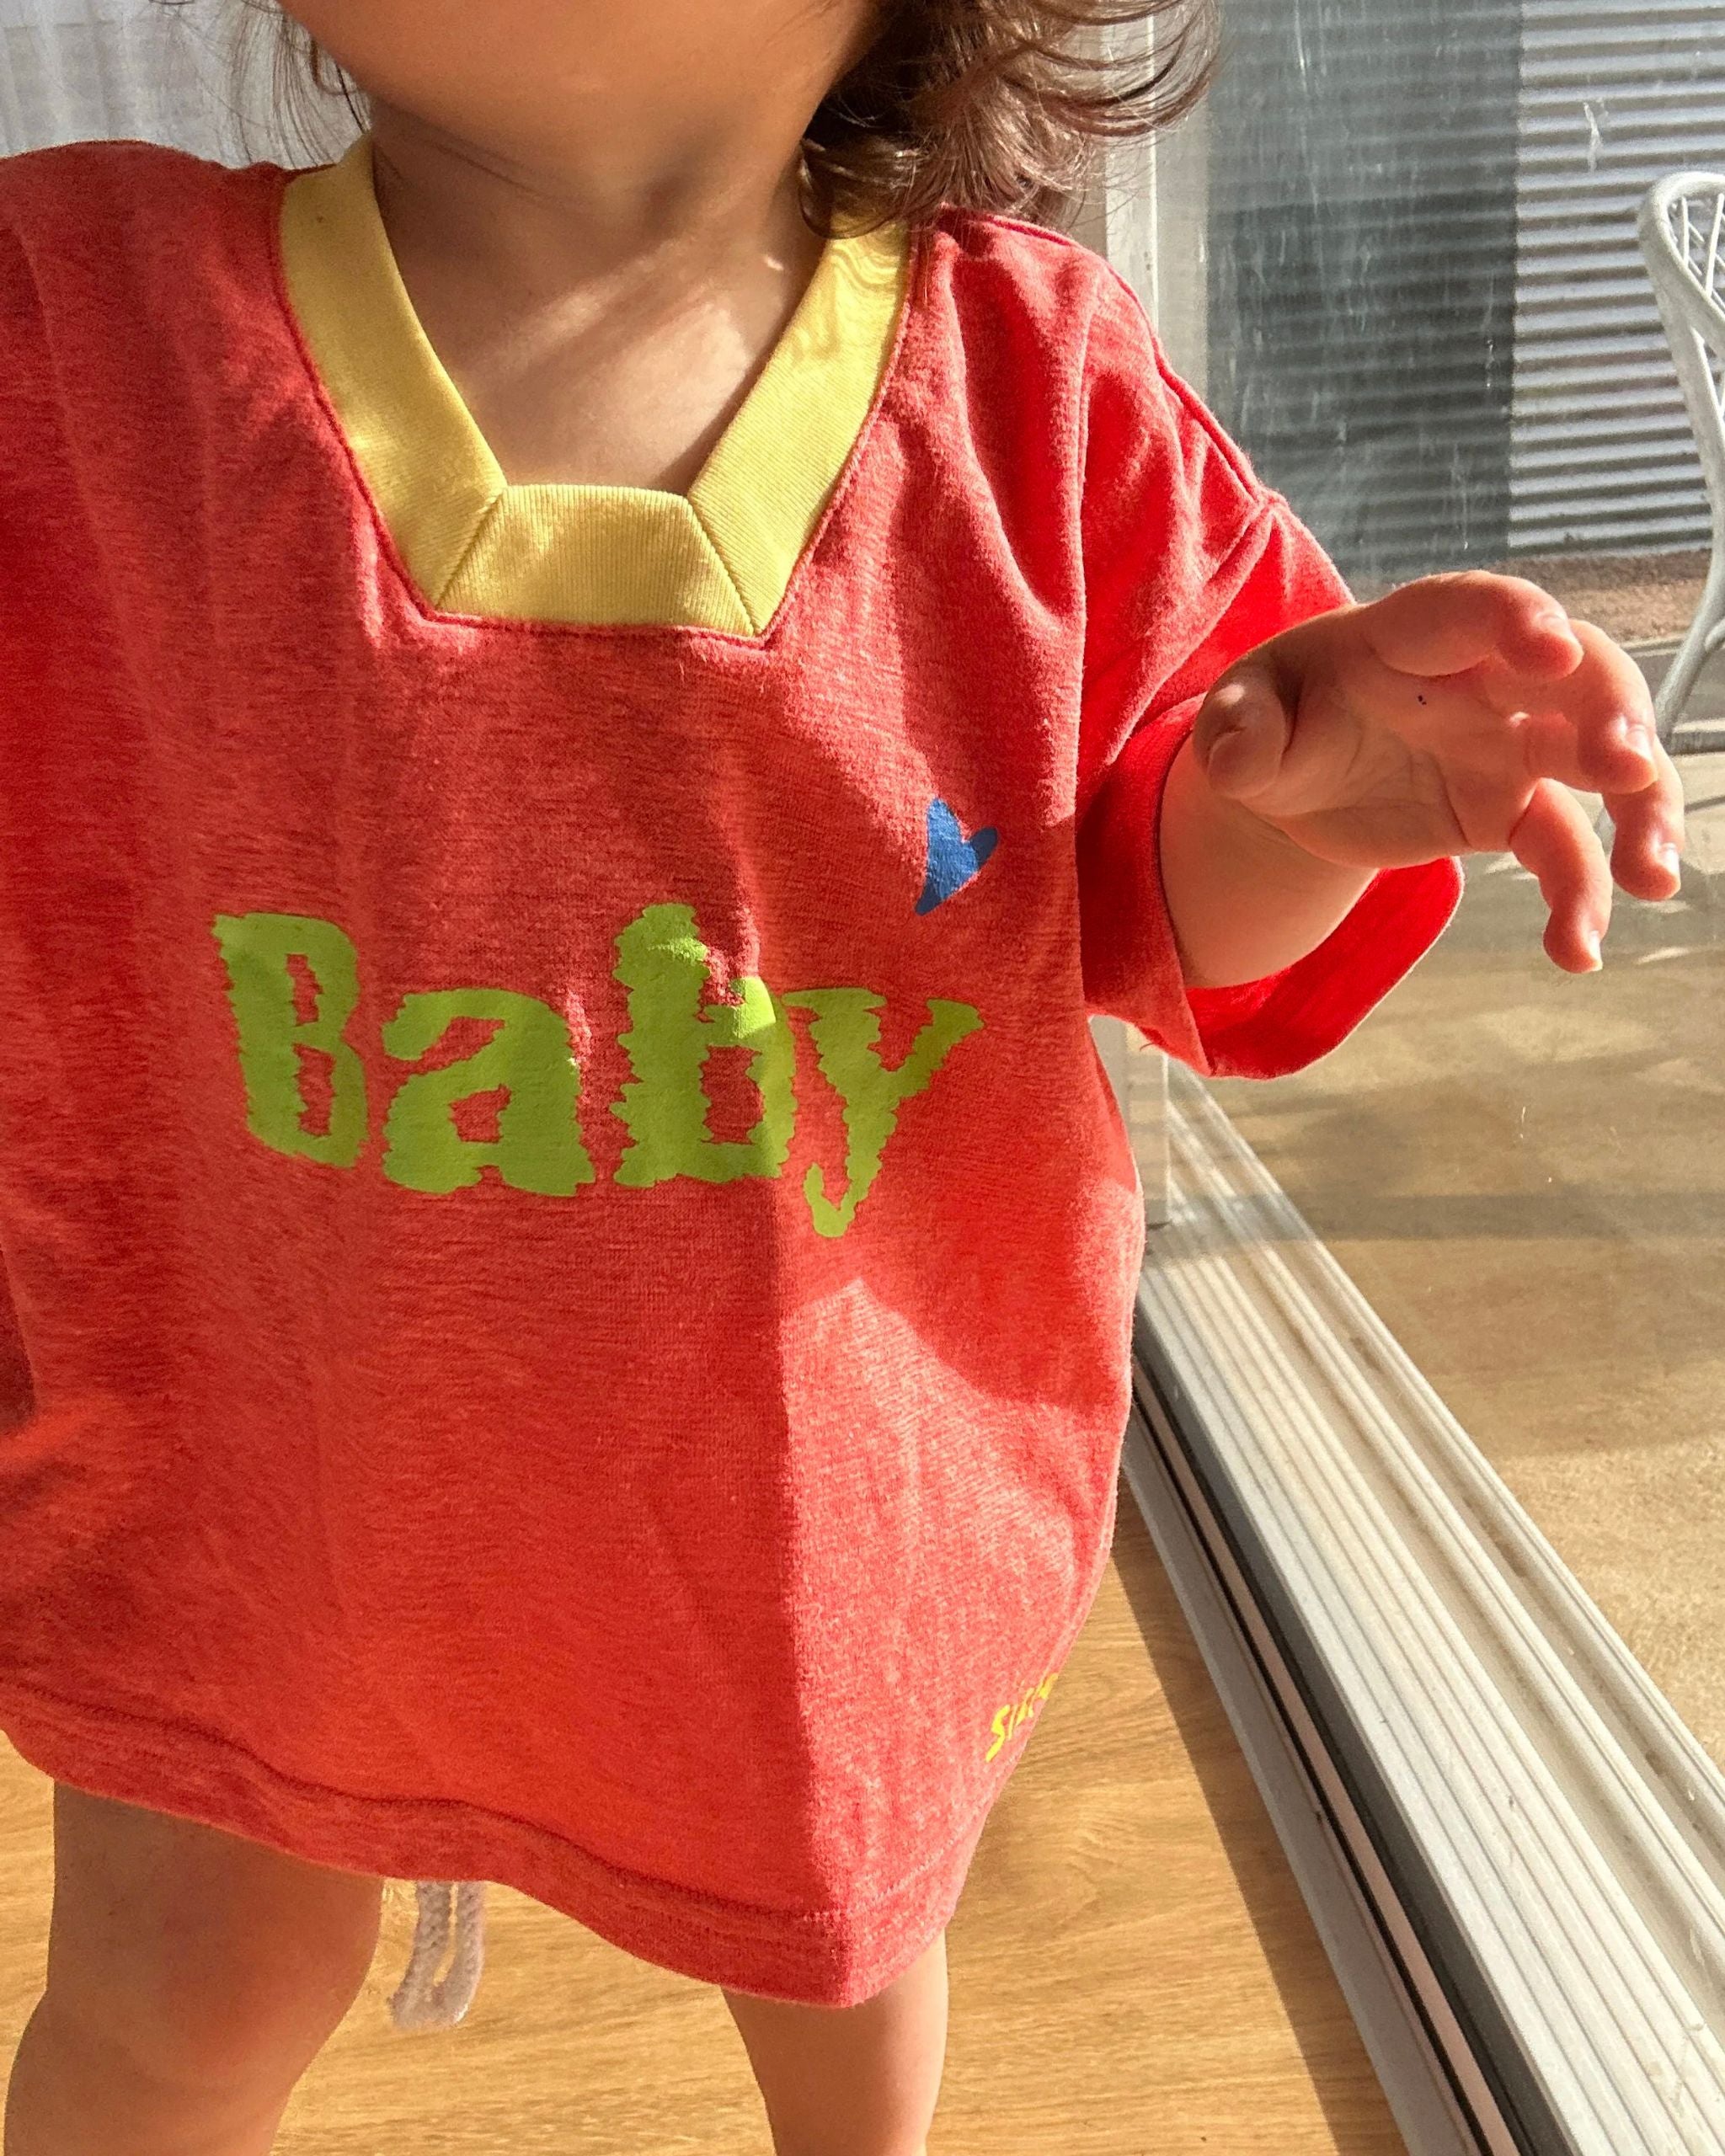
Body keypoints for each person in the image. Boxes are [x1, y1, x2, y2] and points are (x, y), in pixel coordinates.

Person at [0, 0, 1685, 2150]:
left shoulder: (1035, 390)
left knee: (841, 1937)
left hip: (813, 1514)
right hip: (253, 1498)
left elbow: (1146, 917)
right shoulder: (77, 330)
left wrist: (1301, 807)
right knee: (180, 1989)